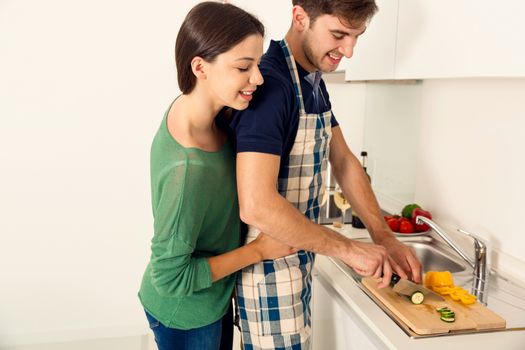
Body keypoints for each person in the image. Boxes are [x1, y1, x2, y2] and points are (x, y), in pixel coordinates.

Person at [226, 1, 423, 349]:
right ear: (300, 17)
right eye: (339, 35)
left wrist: (384, 236)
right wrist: (348, 249)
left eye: (357, 37)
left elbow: (344, 160)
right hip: (269, 275)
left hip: (297, 262)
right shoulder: (272, 85)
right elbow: (255, 205)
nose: (348, 51)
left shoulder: (310, 79)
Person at [138, 3, 296, 350]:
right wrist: (259, 251)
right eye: (243, 67)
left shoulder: (194, 111)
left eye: (257, 64)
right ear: (200, 67)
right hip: (187, 314)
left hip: (210, 300)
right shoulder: (187, 170)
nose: (258, 78)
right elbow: (170, 278)